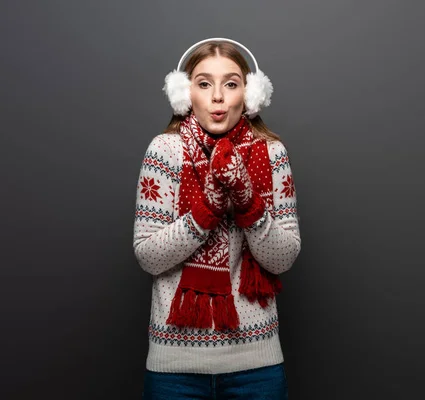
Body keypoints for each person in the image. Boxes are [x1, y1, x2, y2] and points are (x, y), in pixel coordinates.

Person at [133, 37, 301, 399]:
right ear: (185, 93)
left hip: (257, 367)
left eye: (231, 83)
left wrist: (247, 201)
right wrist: (206, 210)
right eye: (204, 83)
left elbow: (282, 258)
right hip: (174, 370)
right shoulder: (164, 151)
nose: (218, 97)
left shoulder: (272, 155)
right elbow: (148, 256)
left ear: (250, 93)